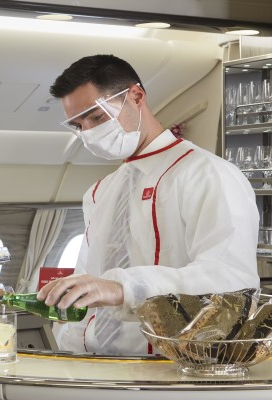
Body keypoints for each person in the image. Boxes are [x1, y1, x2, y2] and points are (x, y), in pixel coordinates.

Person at [37, 55, 259, 355]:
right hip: (95, 363)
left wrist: (124, 288)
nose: (88, 132)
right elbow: (88, 283)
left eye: (97, 117)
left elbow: (230, 281)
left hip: (171, 365)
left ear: (136, 96)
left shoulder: (207, 174)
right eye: (78, 125)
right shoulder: (100, 192)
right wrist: (68, 341)